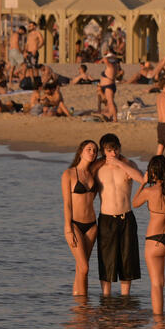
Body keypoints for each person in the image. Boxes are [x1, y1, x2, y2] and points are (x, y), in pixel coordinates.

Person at [132, 155, 165, 315]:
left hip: (155, 240)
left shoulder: (149, 191)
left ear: (152, 172)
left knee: (157, 284)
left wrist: (143, 182)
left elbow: (134, 203)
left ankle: (158, 323)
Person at [92, 133, 145, 296]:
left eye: (116, 149)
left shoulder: (128, 164)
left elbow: (142, 179)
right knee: (106, 260)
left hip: (126, 217)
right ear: (103, 151)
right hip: (106, 219)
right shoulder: (98, 168)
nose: (113, 153)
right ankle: (106, 297)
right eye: (109, 150)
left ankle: (125, 297)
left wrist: (120, 163)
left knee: (127, 260)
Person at [61, 140, 99, 296]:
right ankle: (83, 305)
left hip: (92, 226)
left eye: (95, 150)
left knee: (81, 268)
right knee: (84, 267)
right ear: (81, 152)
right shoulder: (69, 174)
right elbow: (67, 204)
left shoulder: (93, 174)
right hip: (75, 225)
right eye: (89, 149)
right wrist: (68, 228)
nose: (92, 152)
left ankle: (79, 303)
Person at [99, 53, 118, 122]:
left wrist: (106, 55)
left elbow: (105, 60)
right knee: (110, 103)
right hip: (108, 86)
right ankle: (111, 116)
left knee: (110, 102)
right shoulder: (114, 65)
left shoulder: (111, 66)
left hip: (108, 86)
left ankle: (115, 118)